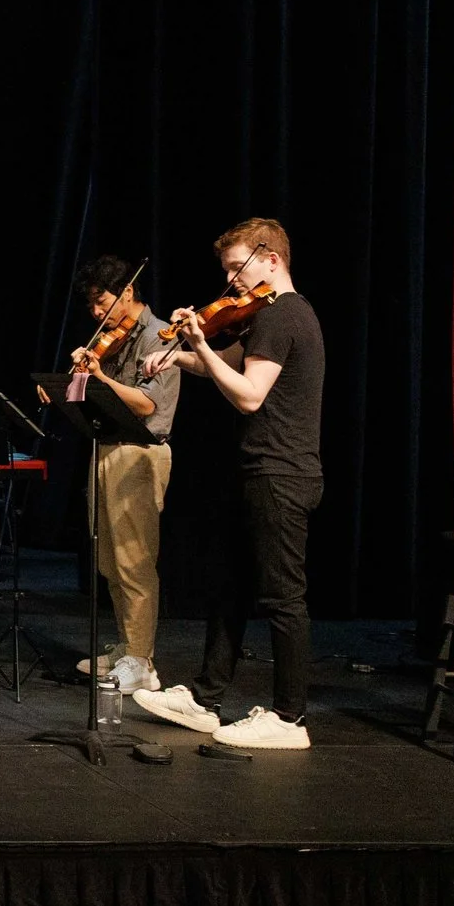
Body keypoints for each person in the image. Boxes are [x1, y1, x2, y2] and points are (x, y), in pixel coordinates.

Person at [130, 218, 324, 751]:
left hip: (281, 472)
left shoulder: (284, 314)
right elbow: (228, 365)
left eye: (238, 268)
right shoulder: (270, 318)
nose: (233, 282)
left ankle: (290, 718)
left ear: (271, 260)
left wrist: (198, 340)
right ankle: (205, 698)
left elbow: (248, 394)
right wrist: (177, 355)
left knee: (284, 598)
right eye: (228, 272)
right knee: (230, 587)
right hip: (261, 470)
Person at [54, 254, 180, 695]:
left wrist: (101, 377)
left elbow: (147, 405)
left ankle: (142, 659)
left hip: (141, 454)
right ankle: (128, 644)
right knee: (108, 559)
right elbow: (96, 397)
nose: (95, 313)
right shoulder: (110, 337)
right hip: (105, 448)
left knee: (134, 561)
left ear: (128, 292)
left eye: (101, 301)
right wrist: (66, 385)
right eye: (90, 304)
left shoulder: (160, 335)